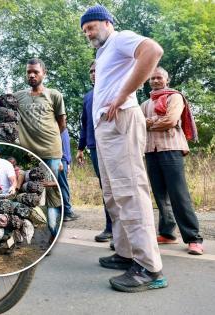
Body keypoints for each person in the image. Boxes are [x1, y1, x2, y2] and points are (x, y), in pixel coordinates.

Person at [81, 4, 167, 292]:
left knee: (130, 189)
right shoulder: (103, 52)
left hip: (121, 121)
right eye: (84, 31)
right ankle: (126, 253)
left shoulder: (119, 38)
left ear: (106, 22)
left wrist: (122, 95)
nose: (88, 33)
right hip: (106, 127)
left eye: (91, 27)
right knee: (113, 193)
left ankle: (149, 268)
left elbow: (153, 51)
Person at [141, 66, 203, 255]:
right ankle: (167, 234)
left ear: (166, 80)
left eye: (159, 77)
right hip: (150, 151)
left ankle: (194, 238)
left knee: (178, 195)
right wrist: (155, 121)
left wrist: (149, 122)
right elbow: (137, 125)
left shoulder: (174, 97)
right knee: (160, 195)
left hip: (171, 149)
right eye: (152, 78)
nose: (155, 81)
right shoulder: (144, 103)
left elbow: (171, 120)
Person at [76, 61, 112, 241]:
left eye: (96, 71)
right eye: (91, 71)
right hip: (94, 146)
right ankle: (110, 227)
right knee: (105, 187)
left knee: (118, 186)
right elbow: (85, 124)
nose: (93, 74)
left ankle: (125, 231)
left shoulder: (113, 89)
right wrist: (81, 148)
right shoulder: (88, 96)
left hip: (113, 144)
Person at [13, 58, 67, 178]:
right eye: (28, 72)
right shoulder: (18, 96)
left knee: (53, 188)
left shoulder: (54, 95)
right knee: (34, 188)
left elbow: (62, 124)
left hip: (51, 152)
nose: (31, 75)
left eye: (36, 72)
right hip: (30, 154)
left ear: (44, 73)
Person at [60, 128, 80, 221]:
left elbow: (67, 148)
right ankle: (67, 212)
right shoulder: (59, 128)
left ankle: (66, 211)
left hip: (64, 160)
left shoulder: (65, 130)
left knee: (63, 186)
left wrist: (68, 163)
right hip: (60, 159)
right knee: (63, 186)